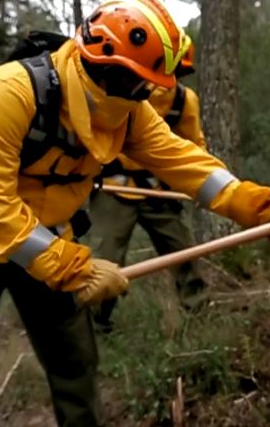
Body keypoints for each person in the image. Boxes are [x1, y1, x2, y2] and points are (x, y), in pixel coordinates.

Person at [0, 0, 270, 426]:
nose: (144, 94)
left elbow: (185, 161)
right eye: (138, 83)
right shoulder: (6, 93)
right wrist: (77, 269)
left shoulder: (129, 109)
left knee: (77, 371)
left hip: (49, 242)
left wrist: (259, 206)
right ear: (107, 66)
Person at [89, 59, 209, 332]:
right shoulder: (118, 89)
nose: (166, 79)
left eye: (175, 72)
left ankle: (199, 315)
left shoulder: (183, 100)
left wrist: (199, 185)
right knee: (107, 260)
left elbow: (194, 147)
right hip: (113, 188)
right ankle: (96, 323)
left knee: (184, 252)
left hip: (159, 191)